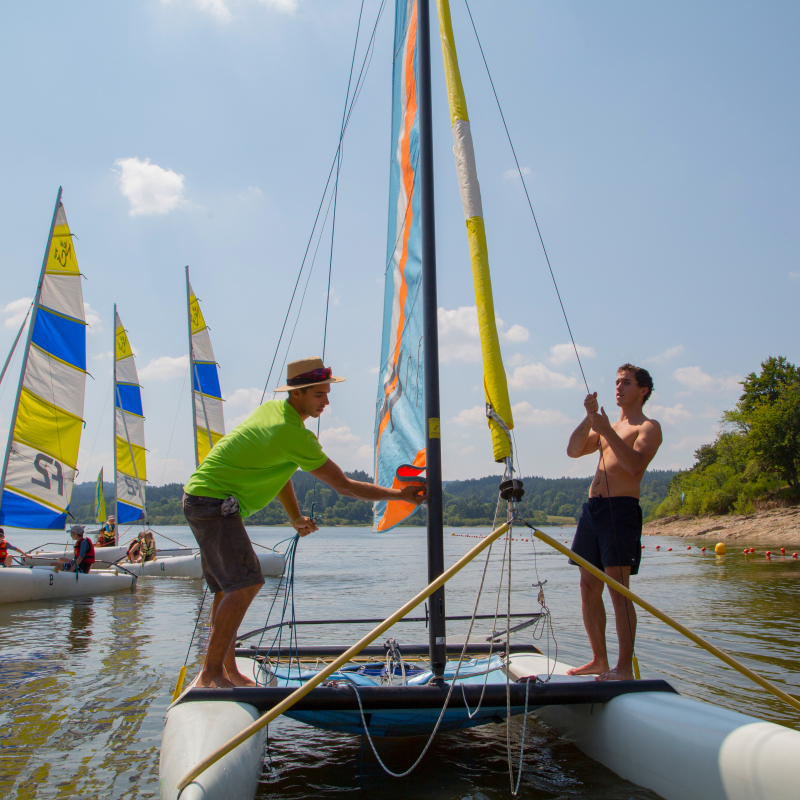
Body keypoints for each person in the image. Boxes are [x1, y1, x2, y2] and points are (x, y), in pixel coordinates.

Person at [182, 357, 427, 689]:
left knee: (229, 588)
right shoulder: (291, 433)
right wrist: (402, 495)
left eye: (327, 394)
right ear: (297, 394)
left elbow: (278, 471)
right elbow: (345, 486)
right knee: (245, 583)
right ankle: (210, 675)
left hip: (201, 499)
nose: (326, 402)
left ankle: (225, 671)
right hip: (214, 504)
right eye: (319, 395)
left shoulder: (275, 413)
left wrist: (295, 517)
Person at [565, 363, 662, 681]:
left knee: (619, 590)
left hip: (621, 512)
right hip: (592, 510)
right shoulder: (606, 426)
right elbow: (573, 450)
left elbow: (635, 466)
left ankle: (623, 668)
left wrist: (605, 429)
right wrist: (590, 417)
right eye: (617, 382)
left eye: (626, 383)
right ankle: (599, 660)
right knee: (587, 586)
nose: (619, 387)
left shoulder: (648, 427)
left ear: (643, 390)